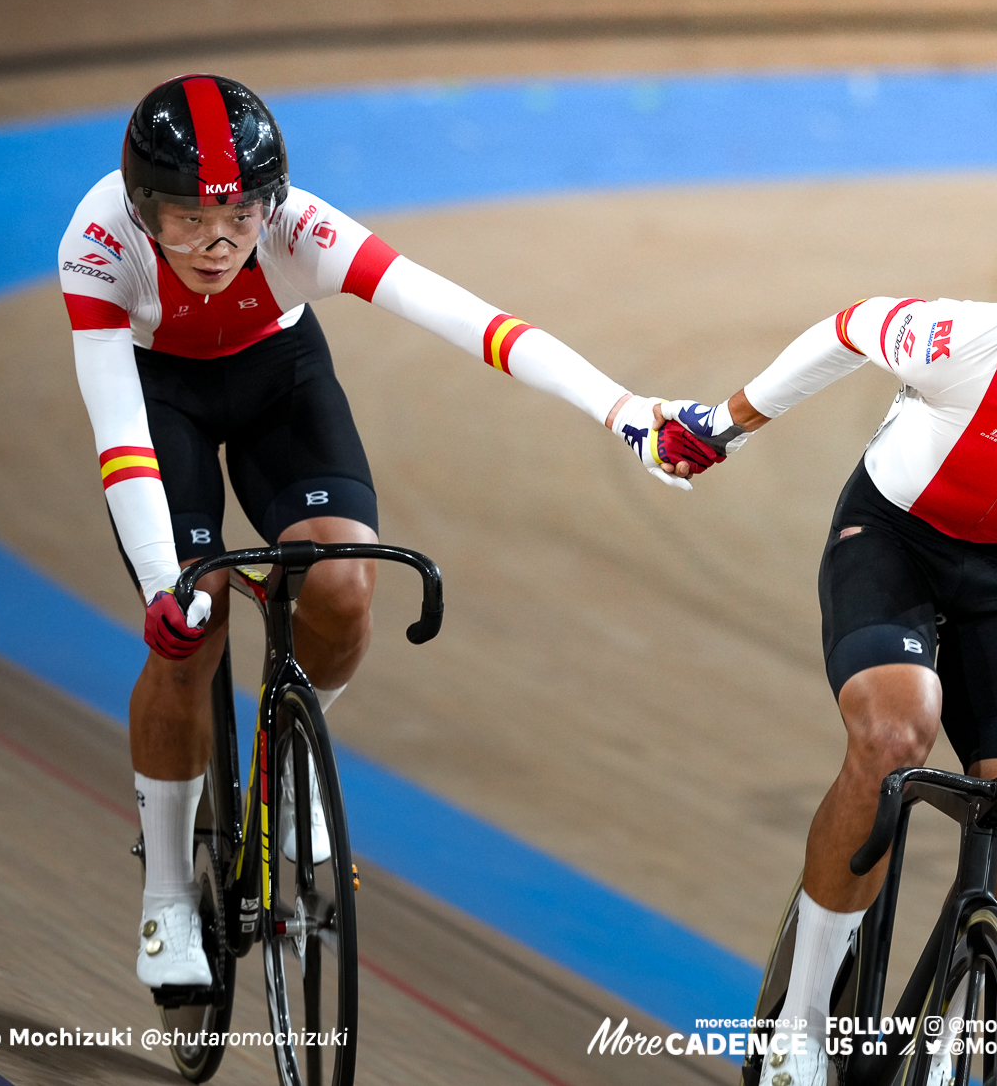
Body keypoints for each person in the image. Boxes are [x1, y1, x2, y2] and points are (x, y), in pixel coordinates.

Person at [62, 74, 693, 991]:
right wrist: (166, 584)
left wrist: (621, 410)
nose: (215, 240)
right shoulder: (98, 242)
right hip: (160, 397)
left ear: (270, 204)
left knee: (345, 584)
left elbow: (474, 321)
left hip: (279, 373)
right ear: (140, 208)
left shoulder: (302, 230)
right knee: (190, 632)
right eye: (186, 216)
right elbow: (122, 436)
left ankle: (292, 763)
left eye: (237, 212)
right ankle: (165, 901)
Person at [658, 187, 997, 1086]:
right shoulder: (962, 341)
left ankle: (956, 1046)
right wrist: (727, 423)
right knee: (893, 733)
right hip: (892, 541)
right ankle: (798, 1022)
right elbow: (848, 326)